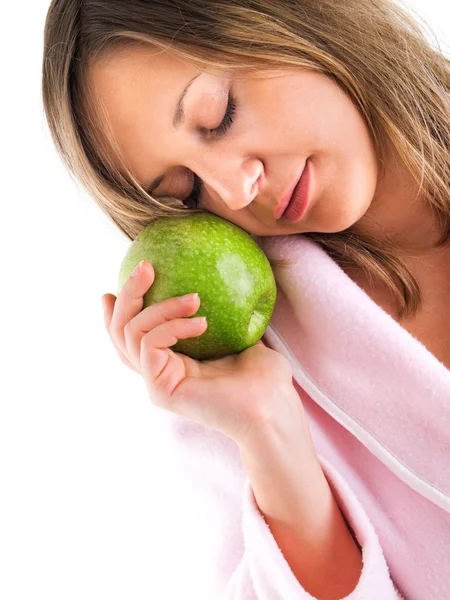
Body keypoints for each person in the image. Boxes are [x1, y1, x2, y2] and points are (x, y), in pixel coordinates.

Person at [41, 1, 450, 598]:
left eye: (220, 115)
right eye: (188, 192)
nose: (236, 189)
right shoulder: (234, 374)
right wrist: (268, 433)